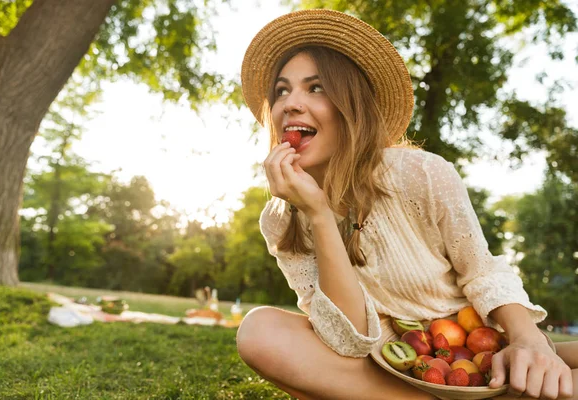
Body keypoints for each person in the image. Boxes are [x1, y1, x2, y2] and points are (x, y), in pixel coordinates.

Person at [236, 9, 577, 400]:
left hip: (477, 354)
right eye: (281, 90)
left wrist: (527, 340)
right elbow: (344, 339)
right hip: (381, 367)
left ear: (353, 109)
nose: (291, 103)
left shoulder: (421, 174)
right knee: (259, 332)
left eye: (316, 88)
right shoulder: (282, 222)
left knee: (555, 366)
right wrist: (318, 213)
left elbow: (481, 272)